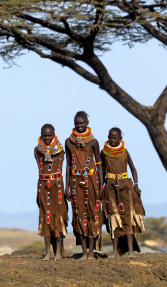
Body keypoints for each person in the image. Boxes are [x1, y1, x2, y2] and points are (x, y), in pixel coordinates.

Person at [64, 111, 104, 259]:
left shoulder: (93, 142)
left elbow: (99, 164)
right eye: (77, 123)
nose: (79, 126)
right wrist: (66, 187)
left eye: (82, 123)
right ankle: (84, 253)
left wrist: (101, 186)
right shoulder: (68, 142)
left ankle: (91, 253)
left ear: (87, 123)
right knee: (78, 215)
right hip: (76, 182)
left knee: (93, 215)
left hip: (92, 181)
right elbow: (68, 165)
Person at [102, 127, 146, 258]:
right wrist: (101, 186)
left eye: (115, 138)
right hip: (110, 187)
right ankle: (115, 251)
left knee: (127, 217)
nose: (112, 140)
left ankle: (131, 251)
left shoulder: (125, 152)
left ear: (121, 138)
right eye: (110, 137)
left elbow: (133, 169)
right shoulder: (104, 152)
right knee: (113, 217)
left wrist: (136, 186)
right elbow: (101, 170)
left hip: (125, 187)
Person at [34, 123, 68, 261]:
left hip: (57, 185)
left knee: (59, 217)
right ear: (41, 135)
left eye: (49, 135)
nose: (47, 138)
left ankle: (58, 253)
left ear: (54, 135)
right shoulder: (37, 150)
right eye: (44, 135)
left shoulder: (60, 150)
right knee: (45, 217)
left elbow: (67, 167)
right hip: (43, 186)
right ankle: (48, 253)